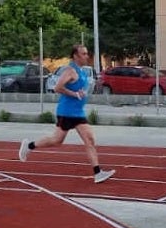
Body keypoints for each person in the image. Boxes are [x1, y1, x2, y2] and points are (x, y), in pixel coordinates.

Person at [18, 45, 115, 183]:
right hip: (67, 112)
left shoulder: (81, 71)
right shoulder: (70, 71)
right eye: (84, 54)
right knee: (56, 140)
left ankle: (98, 173)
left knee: (90, 140)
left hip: (78, 113)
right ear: (75, 56)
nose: (87, 56)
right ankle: (29, 146)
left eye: (87, 53)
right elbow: (57, 87)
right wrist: (74, 94)